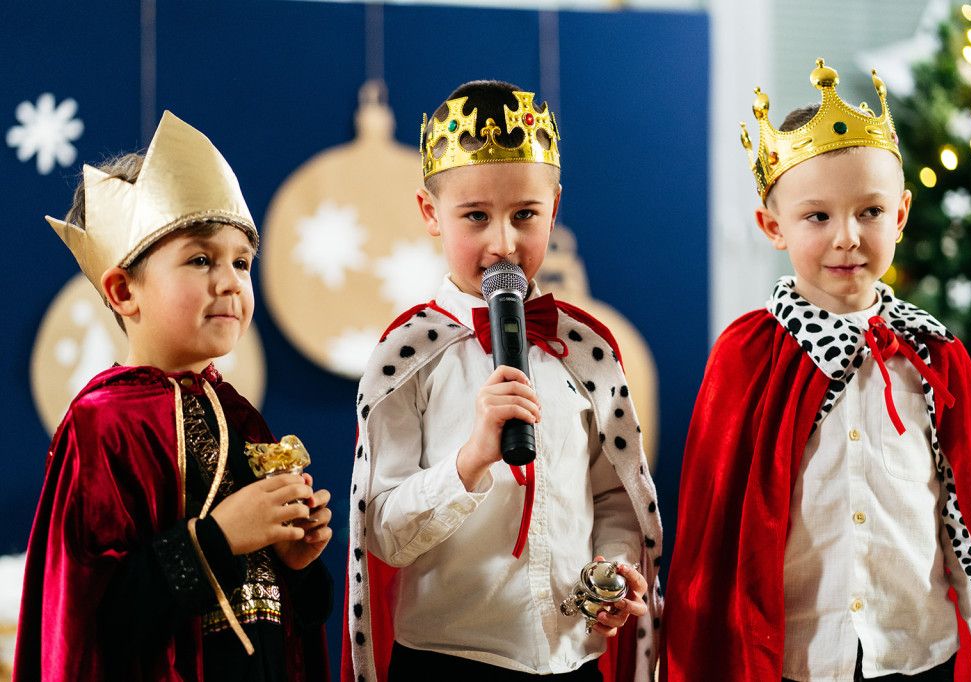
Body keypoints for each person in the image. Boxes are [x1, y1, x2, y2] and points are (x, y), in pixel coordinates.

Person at [660, 59, 971, 682]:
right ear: (772, 226)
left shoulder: (933, 357)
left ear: (901, 215)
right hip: (796, 662)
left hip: (918, 656)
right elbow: (714, 542)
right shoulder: (747, 357)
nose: (848, 237)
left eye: (870, 211)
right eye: (818, 216)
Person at [341, 80, 663, 682]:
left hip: (572, 659)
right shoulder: (407, 355)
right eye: (475, 216)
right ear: (430, 214)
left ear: (554, 209)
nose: (503, 243)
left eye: (524, 215)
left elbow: (614, 496)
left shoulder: (586, 349)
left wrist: (615, 568)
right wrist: (470, 460)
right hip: (448, 661)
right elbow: (381, 532)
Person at [14, 111, 333, 681]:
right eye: (201, 259)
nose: (230, 281)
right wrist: (218, 539)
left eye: (242, 262)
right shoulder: (103, 425)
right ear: (123, 290)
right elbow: (94, 623)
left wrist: (298, 564)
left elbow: (283, 625)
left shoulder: (242, 419)